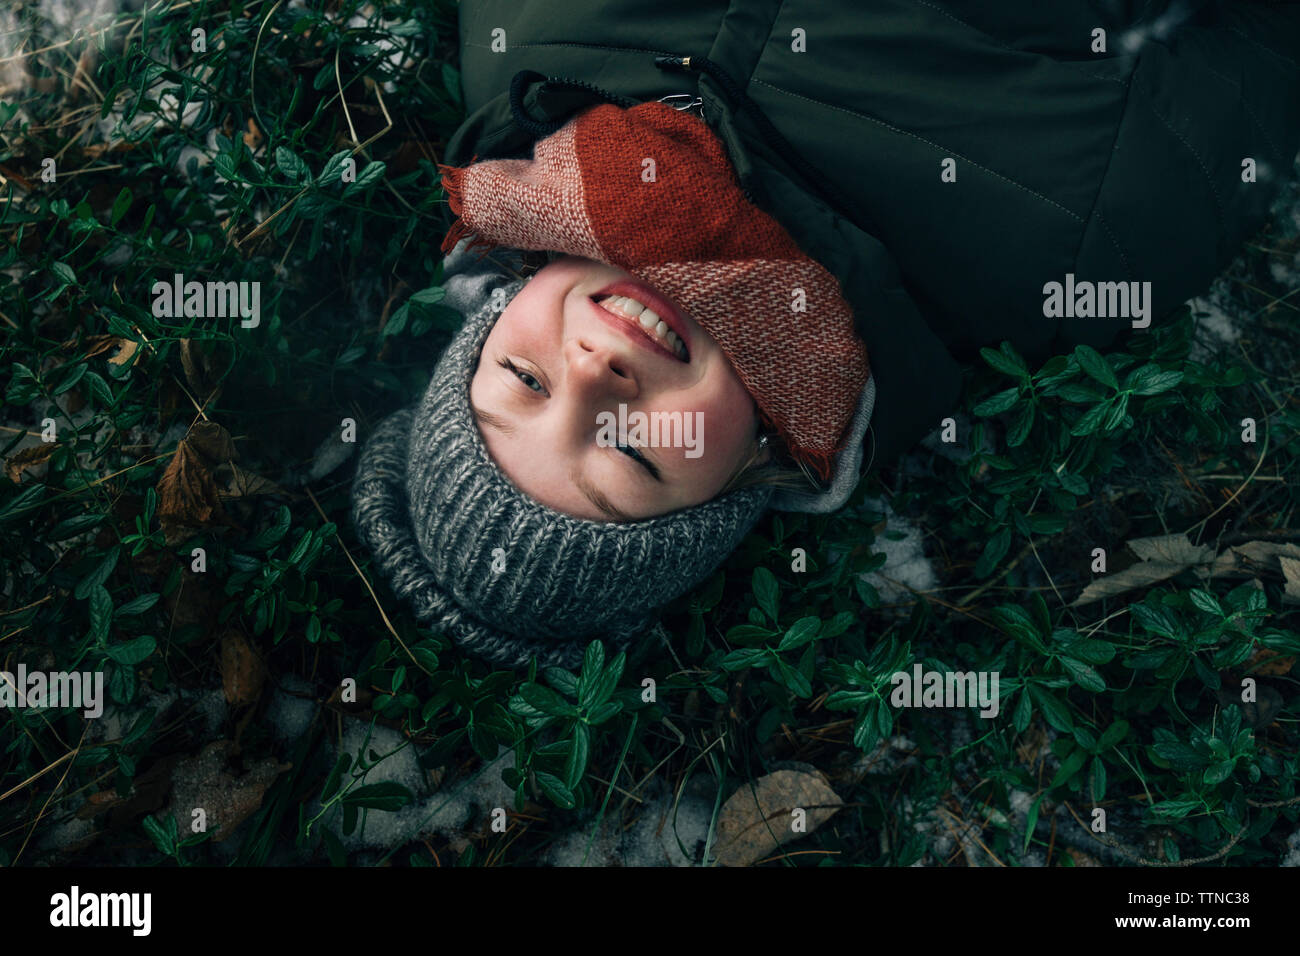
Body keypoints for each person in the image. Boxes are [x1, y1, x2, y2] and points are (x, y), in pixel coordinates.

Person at [352, 0, 1300, 669]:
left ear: (490, 309)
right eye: (631, 456)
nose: (594, 375)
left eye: (523, 379)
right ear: (753, 468)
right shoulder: (1068, 252)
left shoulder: (529, 35)